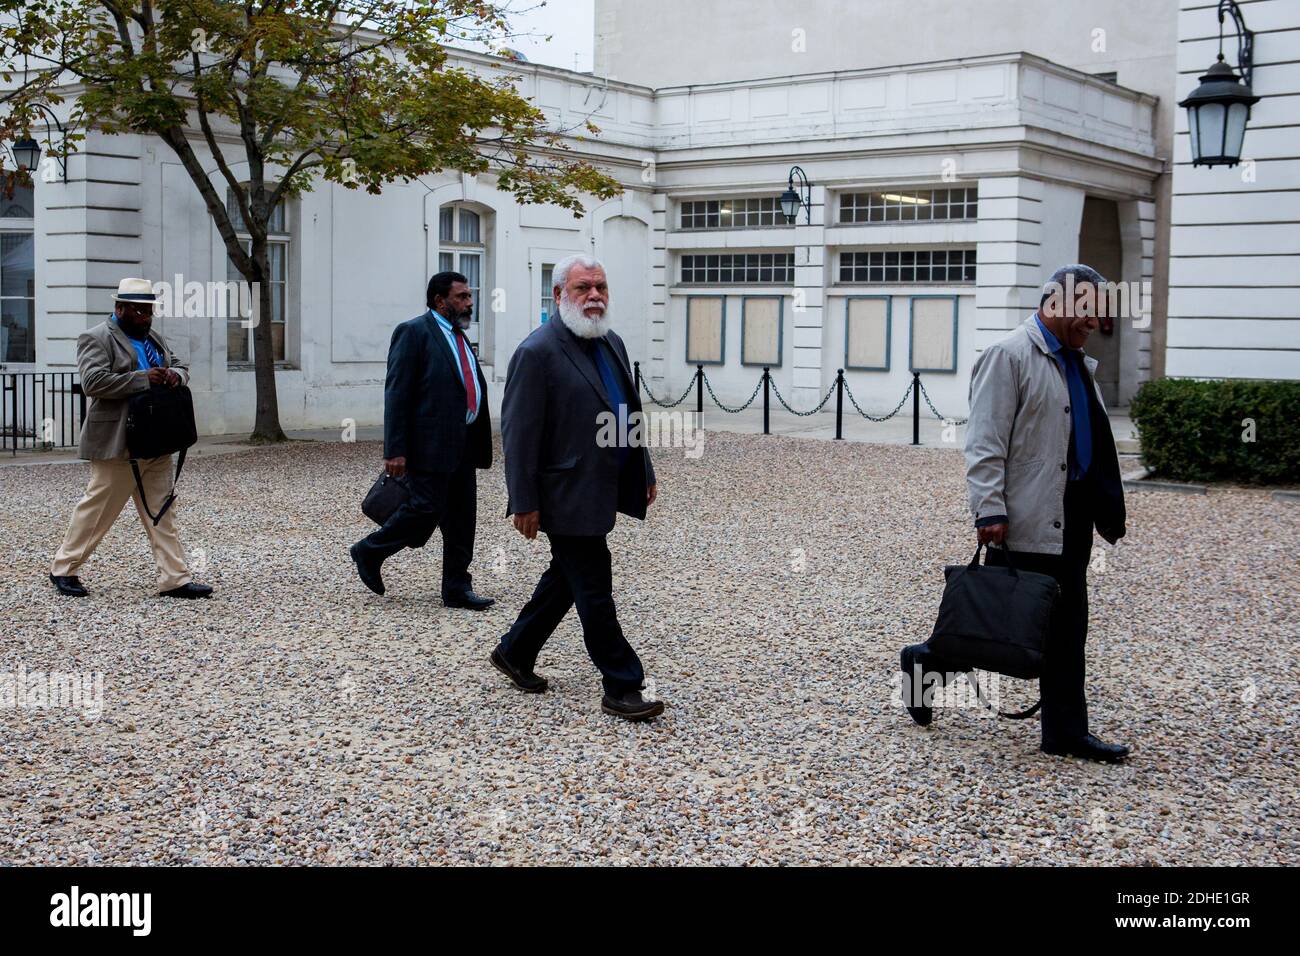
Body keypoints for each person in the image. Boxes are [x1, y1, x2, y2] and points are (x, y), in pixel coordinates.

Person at [901, 264, 1129, 763]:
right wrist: (989, 509)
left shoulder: (1077, 363)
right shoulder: (1007, 355)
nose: (1096, 323)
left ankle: (1065, 733)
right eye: (1088, 311)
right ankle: (927, 662)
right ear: (1057, 303)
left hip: (1073, 514)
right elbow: (985, 442)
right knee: (1006, 626)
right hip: (1026, 515)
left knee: (1067, 627)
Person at [492, 254, 663, 721]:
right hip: (564, 493)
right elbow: (519, 433)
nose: (594, 296)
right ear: (558, 295)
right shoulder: (537, 352)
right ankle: (623, 685)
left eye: (600, 287)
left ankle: (515, 650)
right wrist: (523, 500)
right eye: (583, 288)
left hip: (602, 485)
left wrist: (642, 468)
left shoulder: (611, 341)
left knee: (566, 579)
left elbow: (625, 411)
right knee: (594, 589)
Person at [49, 278, 212, 599]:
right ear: (120, 308)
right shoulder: (96, 337)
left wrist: (175, 375)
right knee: (97, 510)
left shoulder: (153, 337)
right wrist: (143, 379)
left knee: (162, 511)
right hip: (118, 442)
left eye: (149, 310)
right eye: (139, 310)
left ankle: (174, 579)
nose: (146, 317)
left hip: (157, 438)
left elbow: (180, 364)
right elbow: (93, 382)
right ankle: (64, 569)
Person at [349, 272, 494, 609]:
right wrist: (395, 449)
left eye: (470, 296)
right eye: (462, 297)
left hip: (464, 444)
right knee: (424, 509)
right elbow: (397, 393)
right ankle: (369, 551)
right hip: (429, 445)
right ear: (440, 301)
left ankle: (457, 588)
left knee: (462, 519)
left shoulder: (460, 336)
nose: (469, 303)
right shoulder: (413, 332)